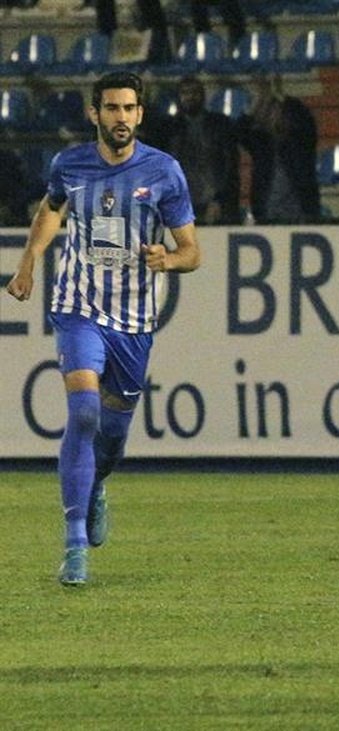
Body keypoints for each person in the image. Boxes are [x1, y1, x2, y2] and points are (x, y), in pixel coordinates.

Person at [4, 71, 201, 586]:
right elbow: (51, 212)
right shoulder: (69, 164)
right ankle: (73, 547)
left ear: (140, 114)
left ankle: (95, 485)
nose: (120, 118)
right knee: (84, 411)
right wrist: (28, 263)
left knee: (110, 440)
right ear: (94, 113)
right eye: (111, 108)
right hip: (78, 307)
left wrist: (168, 259)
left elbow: (192, 251)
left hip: (134, 320)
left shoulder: (164, 172)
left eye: (129, 109)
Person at [236, 75, 321, 224]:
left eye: (275, 110)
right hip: (266, 214)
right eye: (266, 112)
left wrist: (278, 94)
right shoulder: (262, 145)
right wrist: (257, 102)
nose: (269, 116)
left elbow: (307, 121)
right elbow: (238, 133)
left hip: (300, 215)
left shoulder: (300, 143)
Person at [164, 76, 241, 225]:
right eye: (185, 93)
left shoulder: (220, 124)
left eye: (194, 92)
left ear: (203, 95)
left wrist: (220, 199)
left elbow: (230, 166)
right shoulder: (169, 128)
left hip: (215, 202)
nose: (190, 97)